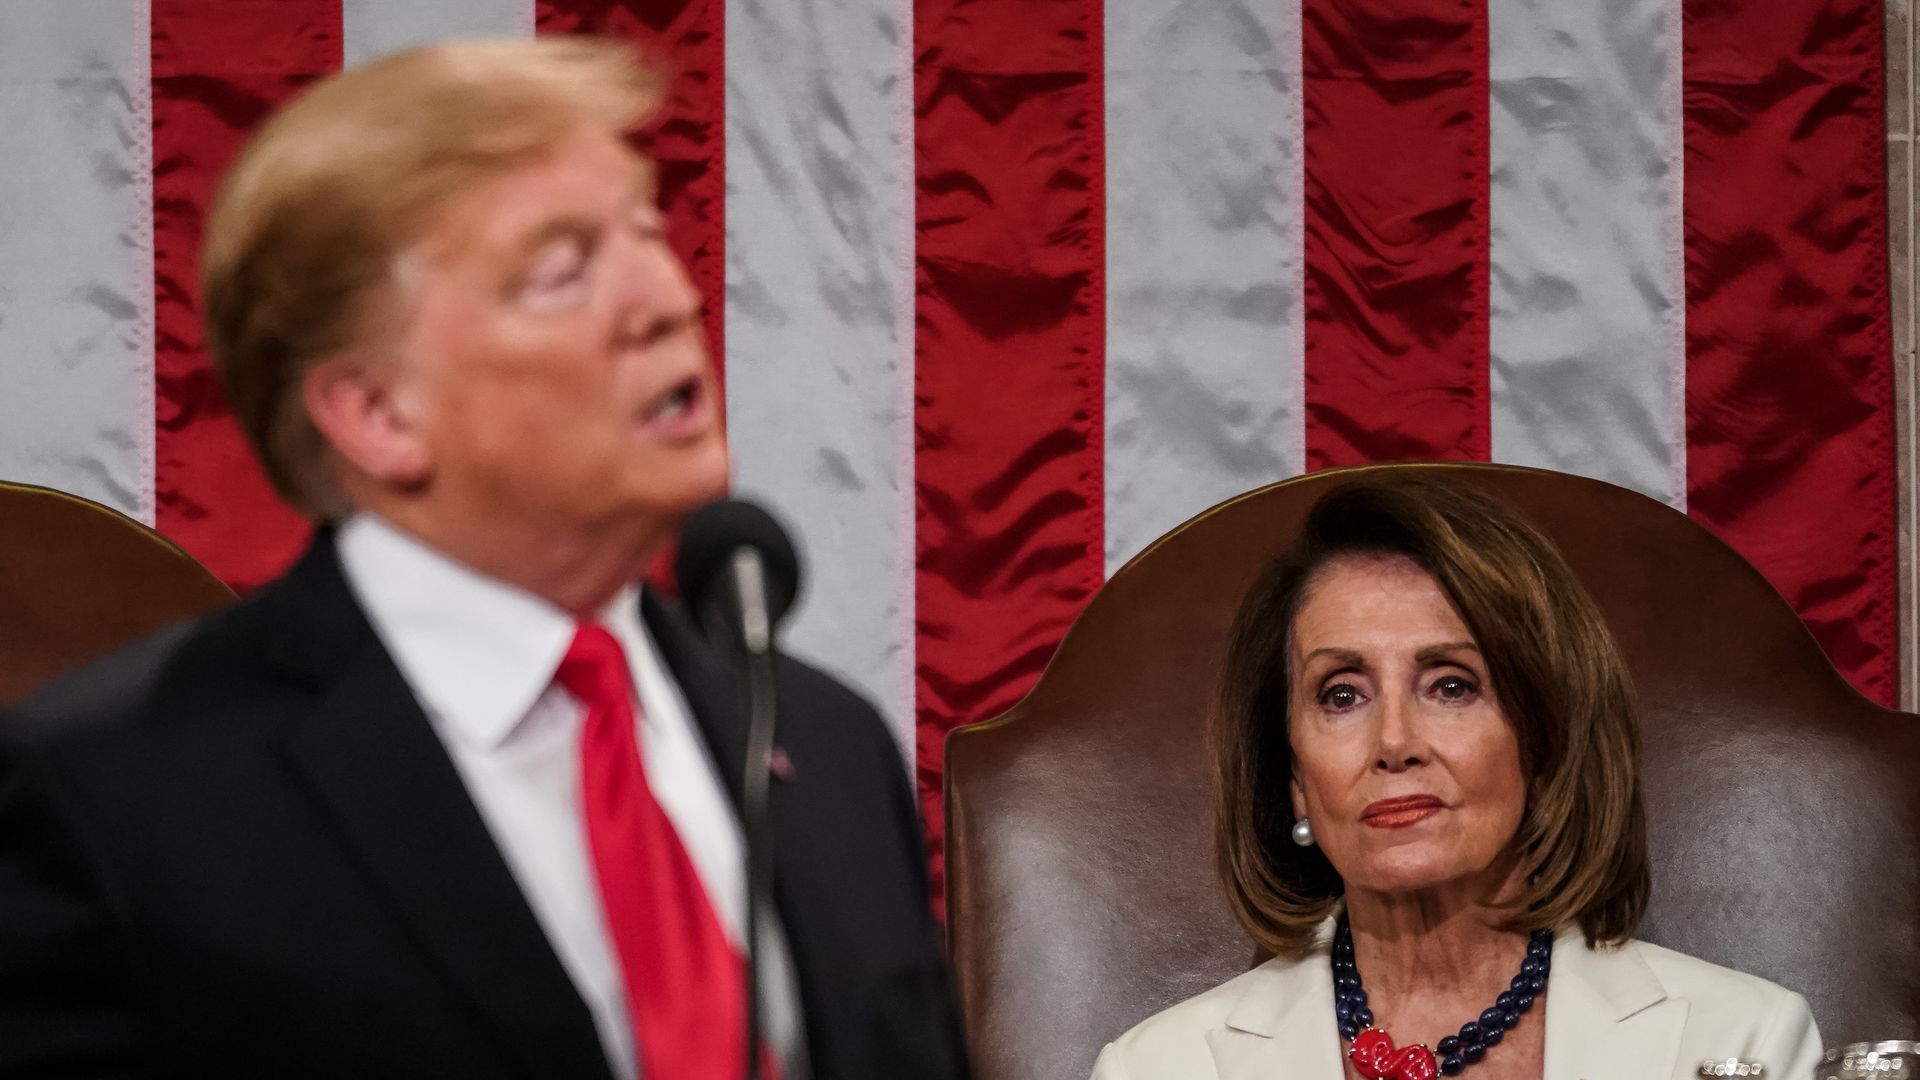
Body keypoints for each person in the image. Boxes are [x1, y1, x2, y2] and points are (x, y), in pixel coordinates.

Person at [0, 38, 968, 1080]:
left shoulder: (827, 745)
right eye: (563, 272)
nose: (665, 298)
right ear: (377, 413)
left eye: (648, 232)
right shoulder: (115, 796)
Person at [1091, 476, 1821, 1080]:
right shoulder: (1160, 1066)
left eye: (1451, 685)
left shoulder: (1747, 1041)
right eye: (1341, 694)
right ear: (1293, 778)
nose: (1396, 743)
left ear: (1544, 737)